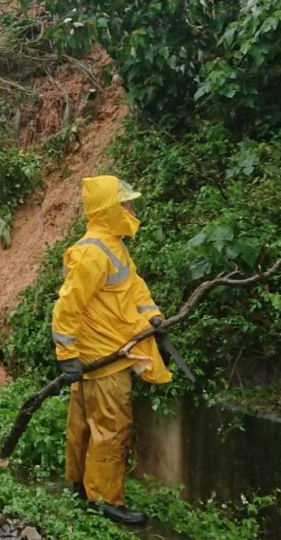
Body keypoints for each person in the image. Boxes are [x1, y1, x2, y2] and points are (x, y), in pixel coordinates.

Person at [52, 175, 172, 525]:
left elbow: (134, 287)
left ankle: (79, 486)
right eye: (126, 204)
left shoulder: (112, 245)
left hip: (102, 354)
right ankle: (104, 499)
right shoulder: (92, 253)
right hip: (102, 359)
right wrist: (67, 355)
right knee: (110, 427)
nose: (131, 209)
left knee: (83, 425)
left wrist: (153, 317)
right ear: (108, 209)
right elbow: (66, 307)